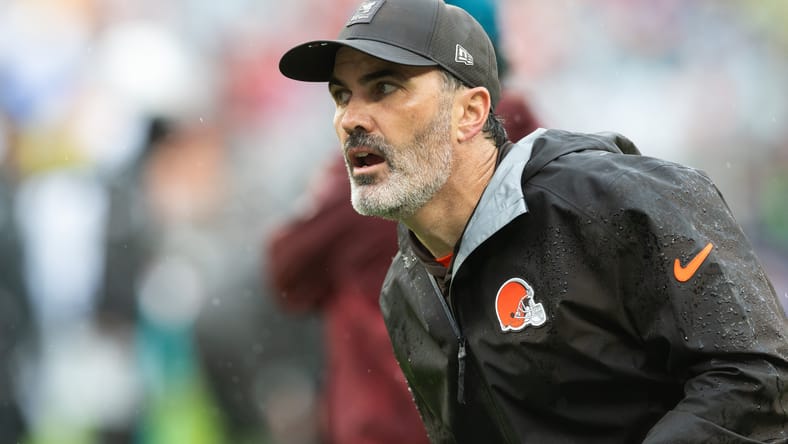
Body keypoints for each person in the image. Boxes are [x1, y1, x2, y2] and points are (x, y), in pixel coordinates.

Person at [276, 0, 788, 442]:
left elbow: (758, 377)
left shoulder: (614, 200)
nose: (351, 118)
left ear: (471, 112)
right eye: (342, 95)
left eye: (384, 87)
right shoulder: (405, 289)